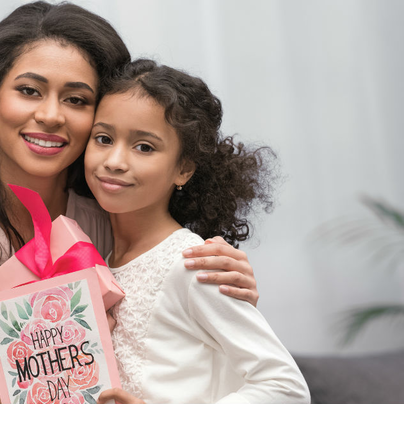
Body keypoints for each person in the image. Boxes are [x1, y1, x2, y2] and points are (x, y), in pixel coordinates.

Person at [0, 1, 261, 404]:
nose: (51, 115)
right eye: (28, 91)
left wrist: (224, 291)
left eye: (76, 100)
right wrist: (51, 394)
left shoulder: (115, 225)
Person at [88, 60, 309, 403]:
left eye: (144, 147)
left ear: (184, 169)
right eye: (103, 138)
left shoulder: (195, 264)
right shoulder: (100, 260)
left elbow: (286, 389)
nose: (115, 160)